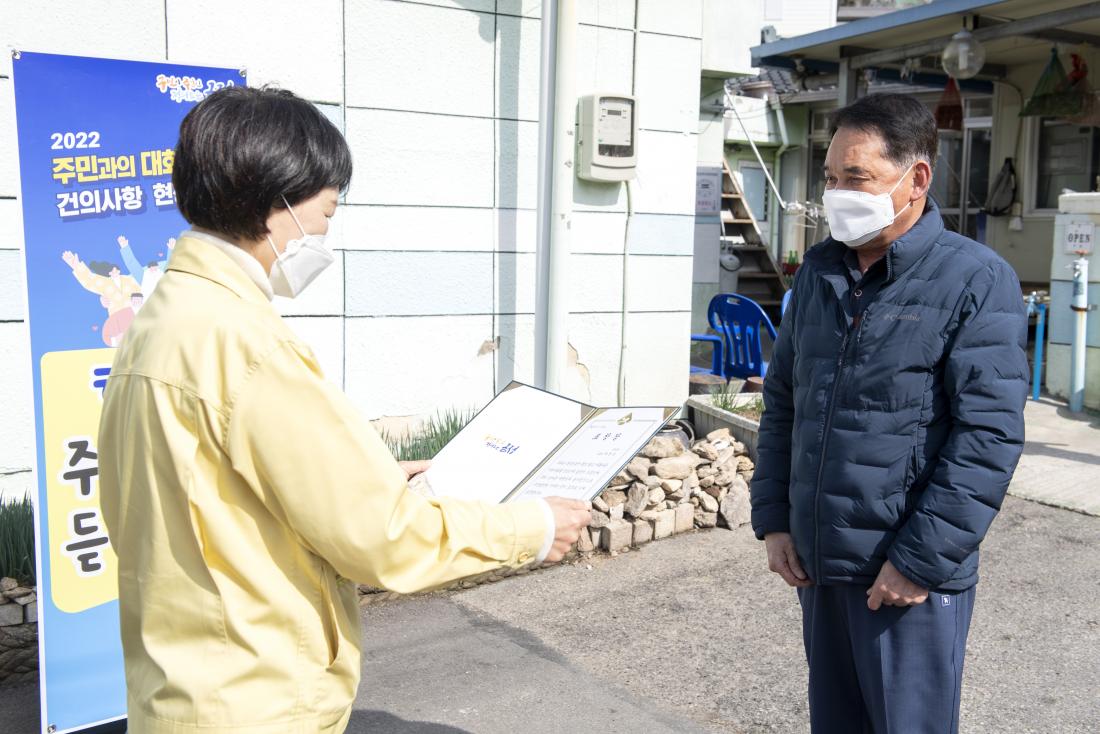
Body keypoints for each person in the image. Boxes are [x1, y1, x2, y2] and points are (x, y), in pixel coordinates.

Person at [97, 86, 592, 734]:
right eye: (326, 211)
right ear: (277, 202)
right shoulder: (250, 346)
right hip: (257, 702)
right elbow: (381, 538)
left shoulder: (159, 321)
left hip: (180, 692)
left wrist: (367, 475)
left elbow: (209, 495)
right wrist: (532, 528)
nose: (326, 232)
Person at [751, 93, 1028, 734]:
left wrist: (920, 561)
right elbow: (785, 400)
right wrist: (775, 519)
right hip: (822, 563)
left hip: (905, 574)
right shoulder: (820, 271)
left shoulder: (975, 279)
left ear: (916, 178)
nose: (837, 195)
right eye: (830, 178)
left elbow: (988, 435)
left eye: (857, 178)